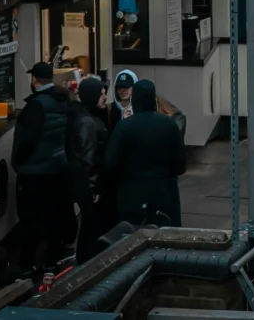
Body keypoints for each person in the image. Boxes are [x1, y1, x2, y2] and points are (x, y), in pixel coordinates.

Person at [11, 62, 72, 275]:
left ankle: (27, 266)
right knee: (53, 216)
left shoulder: (36, 105)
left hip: (34, 172)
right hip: (56, 167)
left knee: (30, 219)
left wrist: (18, 161)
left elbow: (29, 139)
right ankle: (51, 261)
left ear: (34, 80)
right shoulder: (61, 100)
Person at [105, 79, 187, 227]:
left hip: (130, 194)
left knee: (129, 240)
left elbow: (110, 162)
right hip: (161, 192)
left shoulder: (124, 127)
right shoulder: (168, 125)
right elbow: (180, 162)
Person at [66, 78, 109, 264]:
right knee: (91, 226)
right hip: (89, 185)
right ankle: (87, 262)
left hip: (81, 182)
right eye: (101, 94)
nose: (105, 97)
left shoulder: (81, 116)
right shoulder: (88, 123)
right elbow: (88, 158)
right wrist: (94, 188)